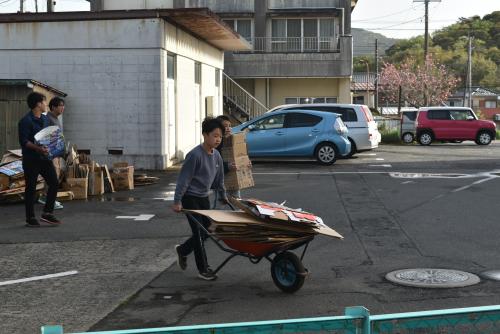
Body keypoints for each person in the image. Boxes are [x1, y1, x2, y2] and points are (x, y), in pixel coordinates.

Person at [172, 117, 227, 281]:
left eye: (220, 136)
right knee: (198, 233)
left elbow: (219, 179)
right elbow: (184, 179)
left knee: (208, 231)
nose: (217, 139)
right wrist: (177, 201)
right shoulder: (195, 155)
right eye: (214, 135)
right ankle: (203, 269)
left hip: (204, 197)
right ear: (205, 135)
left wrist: (223, 195)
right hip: (190, 198)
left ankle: (182, 250)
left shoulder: (216, 155)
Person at [18, 92, 62, 227]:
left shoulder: (45, 119)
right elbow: (24, 142)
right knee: (30, 188)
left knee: (54, 183)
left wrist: (56, 147)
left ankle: (47, 213)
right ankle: (30, 218)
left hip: (45, 158)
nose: (45, 105)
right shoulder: (25, 121)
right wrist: (38, 148)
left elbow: (49, 136)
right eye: (44, 102)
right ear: (38, 104)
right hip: (31, 160)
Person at [38, 97, 65, 210]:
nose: (63, 108)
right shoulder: (48, 119)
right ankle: (48, 199)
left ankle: (47, 198)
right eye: (60, 105)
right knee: (53, 176)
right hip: (51, 153)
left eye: (63, 105)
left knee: (54, 176)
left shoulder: (55, 118)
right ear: (53, 107)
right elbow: (44, 136)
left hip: (56, 153)